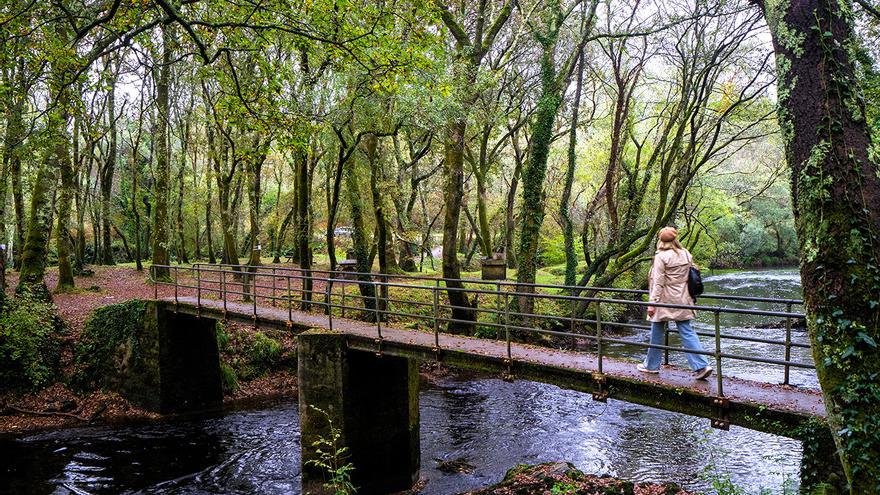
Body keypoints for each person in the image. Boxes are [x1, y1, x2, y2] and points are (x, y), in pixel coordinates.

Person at [637, 227, 713, 380]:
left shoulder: (661, 257)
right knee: (686, 330)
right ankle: (701, 366)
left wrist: (652, 304)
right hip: (683, 298)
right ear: (675, 239)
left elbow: (658, 283)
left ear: (660, 240)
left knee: (657, 331)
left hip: (664, 299)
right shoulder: (685, 253)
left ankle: (651, 366)